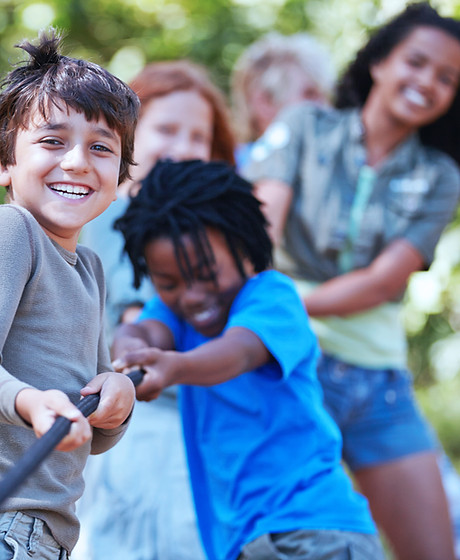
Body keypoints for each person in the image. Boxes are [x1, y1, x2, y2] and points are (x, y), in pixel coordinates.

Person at [243, 3, 460, 560]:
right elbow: (257, 232)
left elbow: (384, 282)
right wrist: (283, 312)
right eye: (416, 62)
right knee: (279, 544)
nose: (427, 83)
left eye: (447, 79)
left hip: (375, 386)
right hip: (285, 366)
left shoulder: (437, 177)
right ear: (381, 62)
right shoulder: (304, 126)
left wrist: (288, 298)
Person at [110, 158, 385, 560]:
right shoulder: (174, 315)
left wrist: (175, 367)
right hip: (242, 543)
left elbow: (237, 351)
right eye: (168, 283)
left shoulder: (272, 297)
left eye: (206, 273)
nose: (191, 296)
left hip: (312, 531)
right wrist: (128, 355)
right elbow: (140, 332)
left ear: (244, 246)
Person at [78, 61, 235, 560]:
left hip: (194, 427)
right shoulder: (120, 213)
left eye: (199, 137)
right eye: (166, 129)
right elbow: (133, 322)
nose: (183, 146)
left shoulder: (208, 232)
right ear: (128, 137)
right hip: (144, 430)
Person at [0, 29, 138, 560]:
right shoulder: (15, 232)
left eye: (101, 148)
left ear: (120, 175)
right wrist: (29, 402)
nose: (79, 162)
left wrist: (115, 402)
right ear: (6, 163)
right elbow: (39, 405)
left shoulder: (90, 268)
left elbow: (88, 433)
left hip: (47, 533)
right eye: (53, 141)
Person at [231, 31, 336, 169]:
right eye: (309, 94)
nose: (326, 108)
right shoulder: (234, 172)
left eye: (325, 96)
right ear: (265, 102)